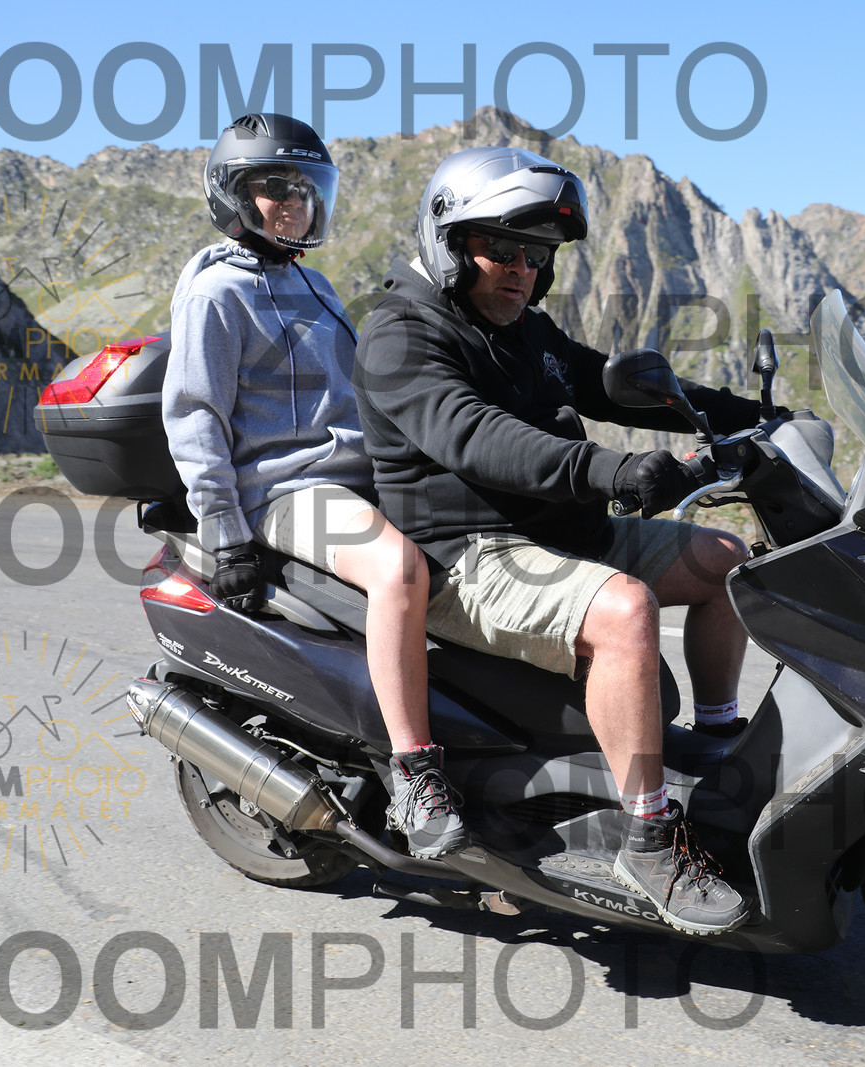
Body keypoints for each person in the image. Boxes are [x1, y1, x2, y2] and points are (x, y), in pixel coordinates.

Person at [353, 146, 761, 935]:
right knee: (625, 610)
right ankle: (649, 840)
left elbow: (608, 382)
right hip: (470, 554)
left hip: (561, 532)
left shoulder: (525, 328)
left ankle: (717, 740)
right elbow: (477, 436)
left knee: (725, 561)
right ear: (449, 241)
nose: (522, 271)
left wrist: (742, 415)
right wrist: (612, 470)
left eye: (537, 256)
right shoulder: (401, 334)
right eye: (502, 250)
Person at [161, 112, 466, 859]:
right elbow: (194, 418)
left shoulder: (313, 282)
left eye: (304, 189)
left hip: (358, 475)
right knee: (398, 571)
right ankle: (415, 773)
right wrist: (226, 535)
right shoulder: (215, 294)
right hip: (285, 490)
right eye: (276, 189)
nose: (294, 203)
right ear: (234, 196)